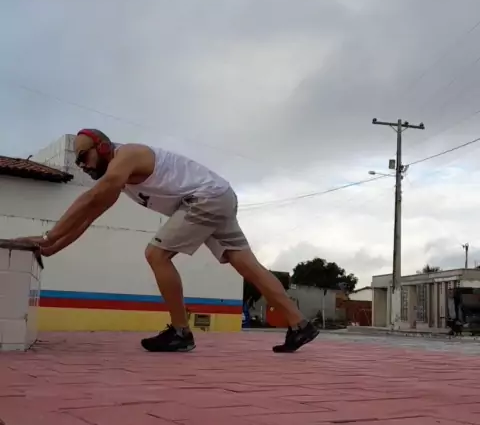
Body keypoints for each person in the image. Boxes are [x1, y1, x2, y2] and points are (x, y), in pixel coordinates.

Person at [18, 129, 319, 353]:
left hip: (205, 198)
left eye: (84, 156)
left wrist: (49, 235)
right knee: (246, 264)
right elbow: (89, 216)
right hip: (219, 196)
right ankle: (300, 325)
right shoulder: (119, 179)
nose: (81, 165)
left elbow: (90, 197)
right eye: (77, 161)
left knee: (156, 254)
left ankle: (180, 332)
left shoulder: (127, 155)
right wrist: (51, 246)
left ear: (104, 147)